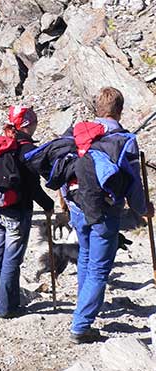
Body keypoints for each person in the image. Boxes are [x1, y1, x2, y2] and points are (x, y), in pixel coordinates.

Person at [68, 87, 154, 343]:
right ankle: (81, 326)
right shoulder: (124, 140)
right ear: (120, 109)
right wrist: (142, 208)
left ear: (97, 108)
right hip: (105, 211)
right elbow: (133, 182)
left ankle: (84, 305)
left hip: (78, 205)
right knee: (98, 269)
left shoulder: (79, 132)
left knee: (85, 256)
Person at [0, 105, 54, 318]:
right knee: (12, 259)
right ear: (26, 125)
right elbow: (34, 187)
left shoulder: (0, 143)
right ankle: (6, 308)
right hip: (17, 211)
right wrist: (48, 205)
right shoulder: (27, 149)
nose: (35, 125)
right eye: (33, 122)